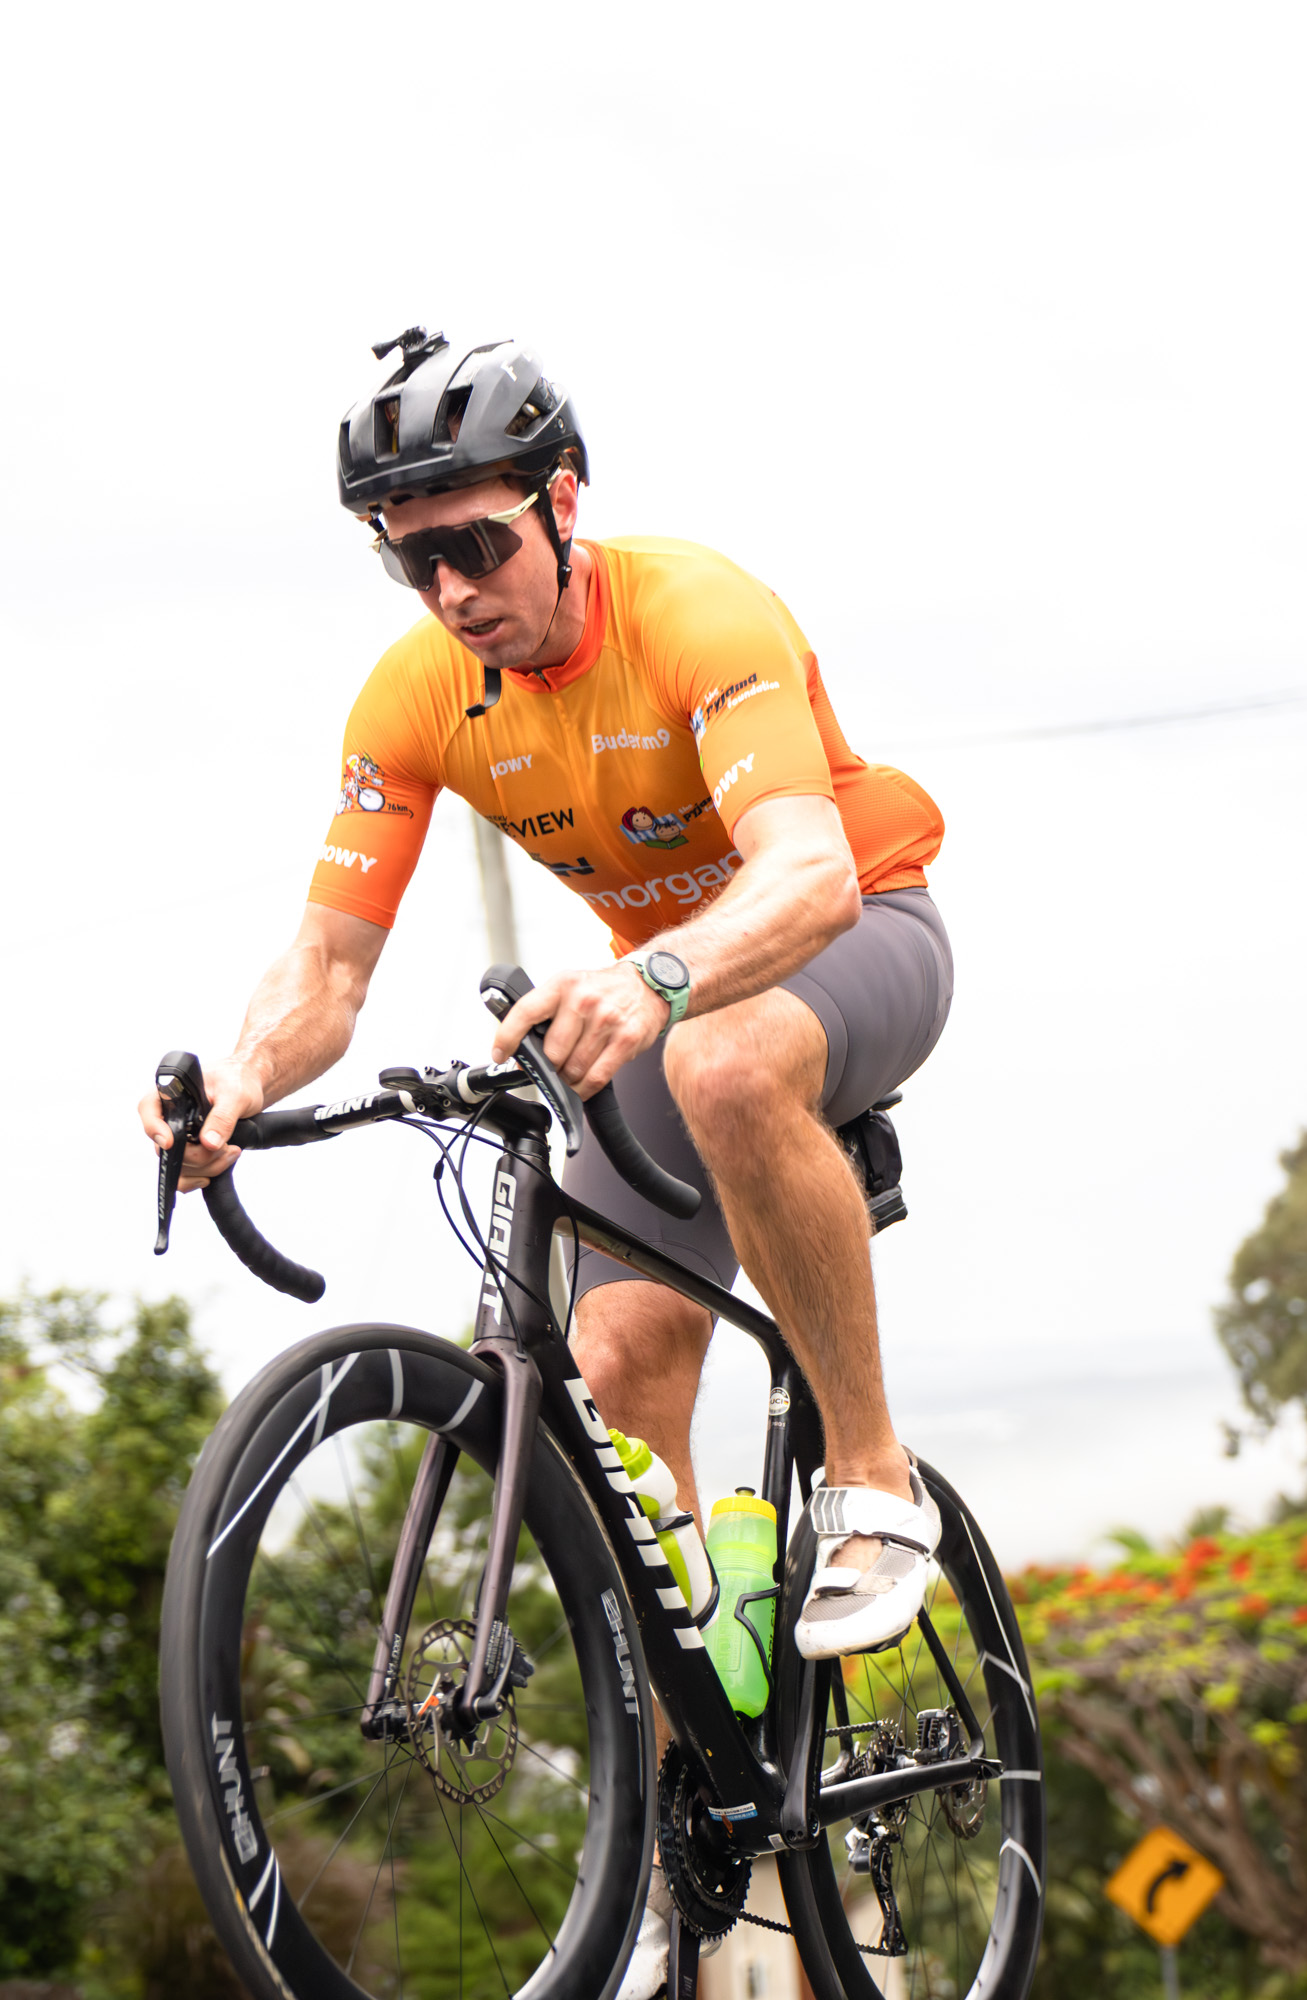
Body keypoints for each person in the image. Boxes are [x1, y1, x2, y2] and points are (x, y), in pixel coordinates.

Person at [139, 326, 953, 1990]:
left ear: (562, 504)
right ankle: (686, 1831)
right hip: (661, 1006)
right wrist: (237, 1076)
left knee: (720, 1054)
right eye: (407, 557)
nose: (447, 588)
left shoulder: (694, 611)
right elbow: (327, 970)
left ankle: (872, 1479)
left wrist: (659, 976)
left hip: (852, 939)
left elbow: (803, 872)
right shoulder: (415, 696)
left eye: (474, 542)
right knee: (608, 1367)